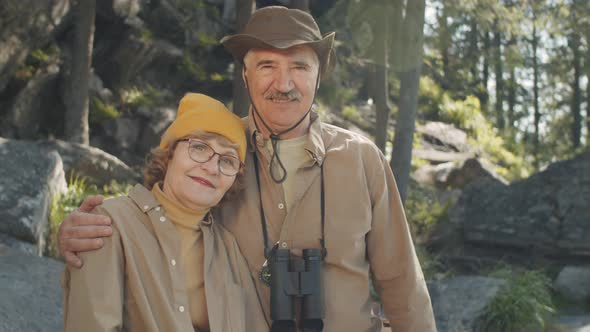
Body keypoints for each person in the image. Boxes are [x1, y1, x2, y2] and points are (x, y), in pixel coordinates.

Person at [59, 6, 437, 331]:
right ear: (245, 75)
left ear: (319, 76)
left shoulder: (361, 158)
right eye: (267, 65)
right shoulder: (217, 150)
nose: (283, 83)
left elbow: (402, 279)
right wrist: (86, 233)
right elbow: (156, 215)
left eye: (300, 67)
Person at [62, 93, 268, 331]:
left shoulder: (229, 248)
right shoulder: (109, 223)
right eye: (199, 147)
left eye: (228, 160)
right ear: (169, 154)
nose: (212, 167)